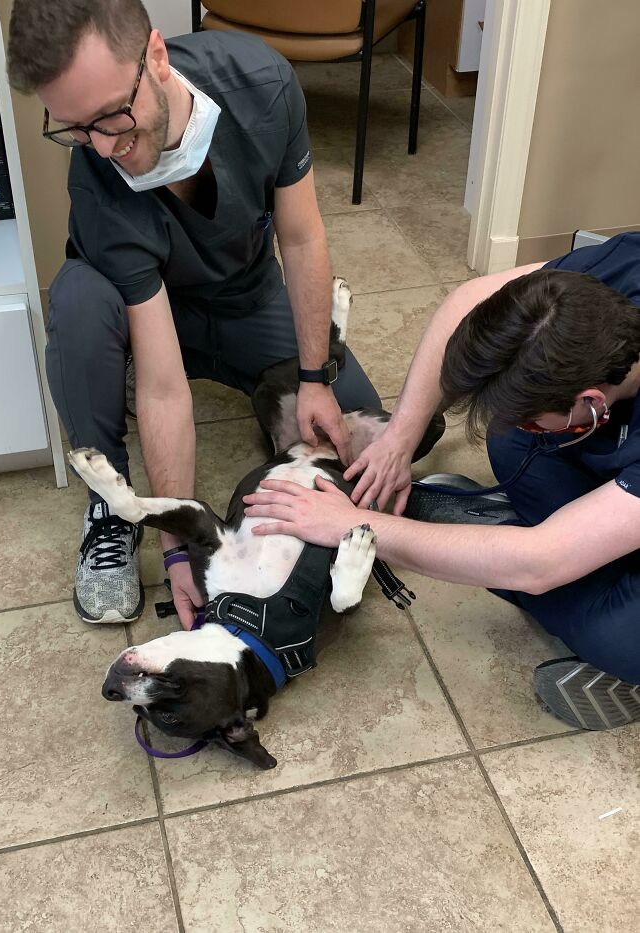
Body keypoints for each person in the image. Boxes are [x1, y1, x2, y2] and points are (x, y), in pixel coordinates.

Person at [6, 0, 380, 627]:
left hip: (246, 295)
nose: (102, 148)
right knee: (77, 298)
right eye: (75, 129)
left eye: (111, 116)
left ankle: (277, 399)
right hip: (151, 314)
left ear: (156, 56)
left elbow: (303, 237)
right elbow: (164, 385)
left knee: (359, 429)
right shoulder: (95, 181)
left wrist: (315, 378)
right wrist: (175, 544)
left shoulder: (263, 85)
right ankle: (111, 507)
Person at [243, 231, 640, 730]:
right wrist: (398, 441)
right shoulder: (615, 273)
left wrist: (354, 527)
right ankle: (553, 540)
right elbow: (466, 304)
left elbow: (542, 564)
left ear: (594, 401)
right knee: (510, 439)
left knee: (618, 637)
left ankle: (558, 568)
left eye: (539, 417)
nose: (527, 425)